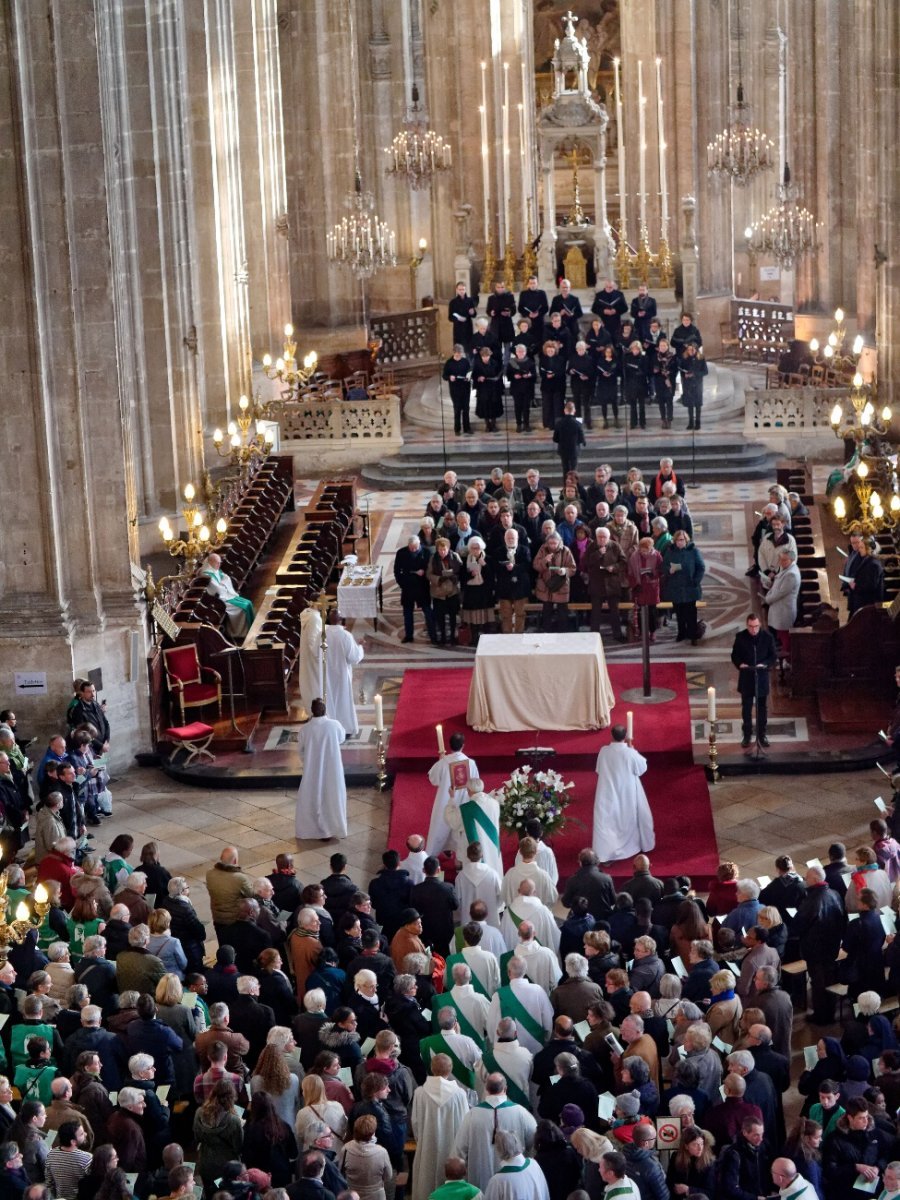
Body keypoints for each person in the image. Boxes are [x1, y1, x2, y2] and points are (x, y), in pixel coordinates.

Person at [592, 726, 654, 864]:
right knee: (625, 818)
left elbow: (599, 770)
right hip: (626, 792)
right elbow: (642, 767)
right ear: (625, 736)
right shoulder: (629, 753)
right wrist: (632, 749)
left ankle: (605, 853)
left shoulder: (604, 751)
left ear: (611, 736)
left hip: (607, 791)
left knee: (607, 821)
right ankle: (627, 847)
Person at [295, 700, 347, 840]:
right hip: (332, 768)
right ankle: (333, 827)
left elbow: (300, 750)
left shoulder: (305, 729)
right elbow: (341, 738)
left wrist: (307, 762)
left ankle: (315, 830)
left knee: (313, 797)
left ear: (312, 711)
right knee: (332, 796)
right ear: (325, 710)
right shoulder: (334, 725)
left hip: (312, 770)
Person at [426, 733, 479, 859]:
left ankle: (432, 855)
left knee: (441, 826)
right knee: (460, 829)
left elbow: (433, 779)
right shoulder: (470, 763)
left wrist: (441, 761)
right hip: (464, 801)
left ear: (450, 746)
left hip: (445, 800)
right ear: (463, 745)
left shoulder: (444, 762)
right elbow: (476, 782)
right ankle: (459, 858)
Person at [731, 612, 778, 748]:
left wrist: (765, 665)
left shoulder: (767, 637)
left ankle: (762, 735)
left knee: (762, 708)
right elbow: (735, 655)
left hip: (761, 677)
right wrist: (740, 664)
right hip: (746, 677)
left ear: (760, 625)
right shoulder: (740, 637)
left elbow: (773, 656)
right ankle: (747, 735)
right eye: (751, 627)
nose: (754, 630)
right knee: (746, 708)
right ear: (747, 625)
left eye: (756, 626)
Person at [663, 530, 706, 644]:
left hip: (690, 587)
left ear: (686, 540)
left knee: (691, 613)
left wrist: (696, 581)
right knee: (679, 613)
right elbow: (664, 566)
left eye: (682, 540)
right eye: (677, 540)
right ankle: (681, 633)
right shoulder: (670, 552)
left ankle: (693, 635)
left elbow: (701, 567)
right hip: (676, 587)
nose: (679, 542)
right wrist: (669, 570)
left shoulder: (693, 551)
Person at [394, 535, 437, 645]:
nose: (413, 549)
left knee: (428, 612)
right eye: (411, 547)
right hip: (408, 587)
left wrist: (424, 572)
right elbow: (397, 571)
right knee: (407, 613)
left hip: (422, 587)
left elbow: (432, 568)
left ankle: (433, 636)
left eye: (415, 547)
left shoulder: (427, 552)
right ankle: (409, 636)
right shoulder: (401, 553)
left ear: (419, 545)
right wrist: (403, 584)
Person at [200, 553, 254, 639]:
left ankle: (251, 629)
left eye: (219, 563)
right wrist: (223, 584)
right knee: (243, 608)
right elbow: (217, 589)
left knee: (248, 603)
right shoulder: (207, 574)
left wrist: (223, 584)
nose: (219, 565)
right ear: (210, 562)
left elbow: (225, 577)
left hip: (225, 595)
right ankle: (240, 633)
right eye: (217, 563)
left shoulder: (214, 569)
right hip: (218, 601)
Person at [533, 531, 576, 632]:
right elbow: (535, 566)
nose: (552, 546)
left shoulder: (566, 550)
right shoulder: (543, 549)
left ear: (559, 542)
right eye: (550, 543)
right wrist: (544, 561)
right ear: (547, 542)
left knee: (562, 613)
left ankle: (562, 634)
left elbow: (573, 568)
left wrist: (564, 571)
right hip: (546, 585)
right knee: (547, 612)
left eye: (554, 543)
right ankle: (547, 633)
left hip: (561, 585)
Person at [762, 548, 801, 658]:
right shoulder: (786, 568)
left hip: (784, 610)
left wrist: (768, 599)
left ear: (791, 560)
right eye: (780, 559)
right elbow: (778, 585)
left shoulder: (791, 574)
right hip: (780, 609)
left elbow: (781, 592)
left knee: (785, 636)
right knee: (781, 634)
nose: (781, 562)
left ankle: (787, 660)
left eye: (784, 560)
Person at [428, 538, 464, 645]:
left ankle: (453, 636)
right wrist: (439, 579)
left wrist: (454, 576)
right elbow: (429, 574)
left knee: (453, 616)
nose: (442, 552)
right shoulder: (433, 559)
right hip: (439, 594)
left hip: (452, 592)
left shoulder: (455, 557)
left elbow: (461, 571)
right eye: (440, 550)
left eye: (444, 550)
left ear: (448, 549)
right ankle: (443, 636)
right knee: (440, 617)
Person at [442, 346, 473, 436]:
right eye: (457, 353)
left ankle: (467, 428)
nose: (459, 355)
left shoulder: (465, 361)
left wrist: (468, 377)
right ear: (454, 353)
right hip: (455, 389)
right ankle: (457, 429)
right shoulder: (449, 363)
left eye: (460, 353)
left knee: (466, 408)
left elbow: (470, 372)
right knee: (457, 409)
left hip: (465, 388)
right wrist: (449, 377)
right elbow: (444, 376)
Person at [507, 344, 536, 433]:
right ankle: (519, 424)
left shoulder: (530, 362)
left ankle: (526, 424)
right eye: (519, 351)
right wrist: (514, 376)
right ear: (516, 352)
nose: (521, 353)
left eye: (522, 351)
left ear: (525, 352)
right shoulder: (511, 362)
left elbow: (534, 375)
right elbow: (508, 375)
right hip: (516, 387)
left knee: (526, 407)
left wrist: (529, 375)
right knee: (518, 407)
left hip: (527, 387)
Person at [552, 402, 586, 478]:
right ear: (574, 411)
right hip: (574, 450)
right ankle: (574, 487)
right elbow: (581, 438)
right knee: (574, 470)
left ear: (564, 410)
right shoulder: (577, 423)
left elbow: (555, 438)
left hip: (563, 450)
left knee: (565, 469)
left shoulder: (559, 423)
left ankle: (565, 487)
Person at [678, 342, 707, 430]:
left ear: (696, 349)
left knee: (697, 404)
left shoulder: (701, 358)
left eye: (692, 349)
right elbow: (681, 370)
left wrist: (694, 374)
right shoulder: (685, 358)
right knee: (690, 404)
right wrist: (684, 374)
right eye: (688, 349)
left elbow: (705, 371)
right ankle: (691, 422)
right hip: (688, 384)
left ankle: (698, 422)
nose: (690, 351)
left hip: (697, 383)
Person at [448, 282, 477, 352]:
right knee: (458, 349)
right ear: (457, 290)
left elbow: (474, 315)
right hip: (458, 328)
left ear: (465, 290)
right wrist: (458, 319)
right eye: (460, 289)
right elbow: (450, 317)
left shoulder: (470, 300)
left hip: (468, 328)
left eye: (463, 289)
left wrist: (473, 312)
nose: (461, 291)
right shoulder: (453, 302)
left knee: (469, 349)